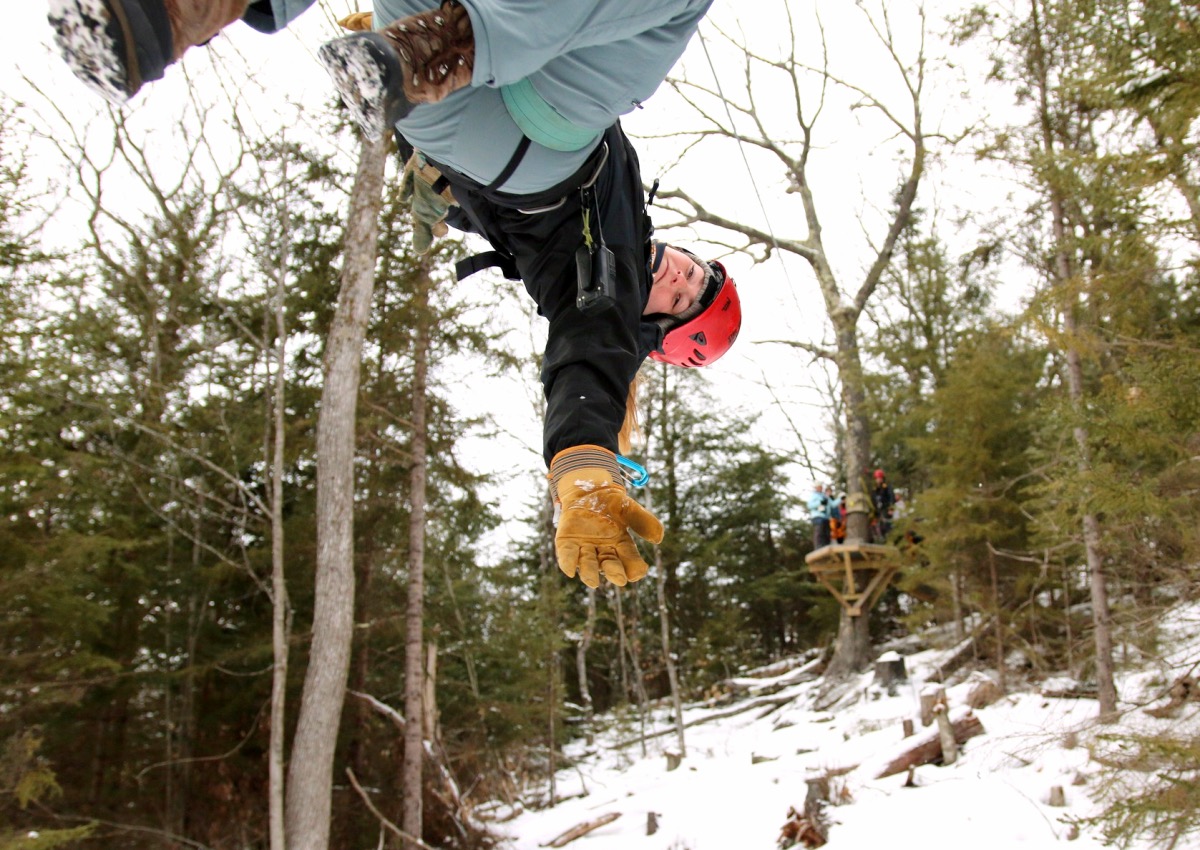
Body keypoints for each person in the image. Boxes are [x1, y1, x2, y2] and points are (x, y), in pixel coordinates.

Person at [48, 0, 743, 592]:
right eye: (699, 275)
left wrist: (584, 471)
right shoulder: (629, 217)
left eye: (683, 305)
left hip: (531, 134)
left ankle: (443, 45)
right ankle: (154, 19)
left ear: (656, 331)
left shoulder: (607, 288)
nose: (682, 280)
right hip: (449, 89)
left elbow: (591, 357)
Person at [871, 468, 895, 543]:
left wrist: (891, 508)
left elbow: (891, 497)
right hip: (878, 510)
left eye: (879, 478)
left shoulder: (887, 487)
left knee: (887, 525)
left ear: (882, 478)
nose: (878, 480)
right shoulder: (875, 489)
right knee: (879, 527)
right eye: (877, 478)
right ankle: (882, 541)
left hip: (886, 509)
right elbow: (873, 501)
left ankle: (890, 541)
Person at [807, 483, 831, 551]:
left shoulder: (824, 496)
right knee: (819, 531)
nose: (820, 488)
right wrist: (820, 502)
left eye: (821, 487)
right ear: (816, 488)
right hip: (817, 516)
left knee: (826, 533)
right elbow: (810, 505)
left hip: (825, 517)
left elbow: (829, 505)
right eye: (819, 487)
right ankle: (818, 547)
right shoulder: (813, 495)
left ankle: (826, 547)